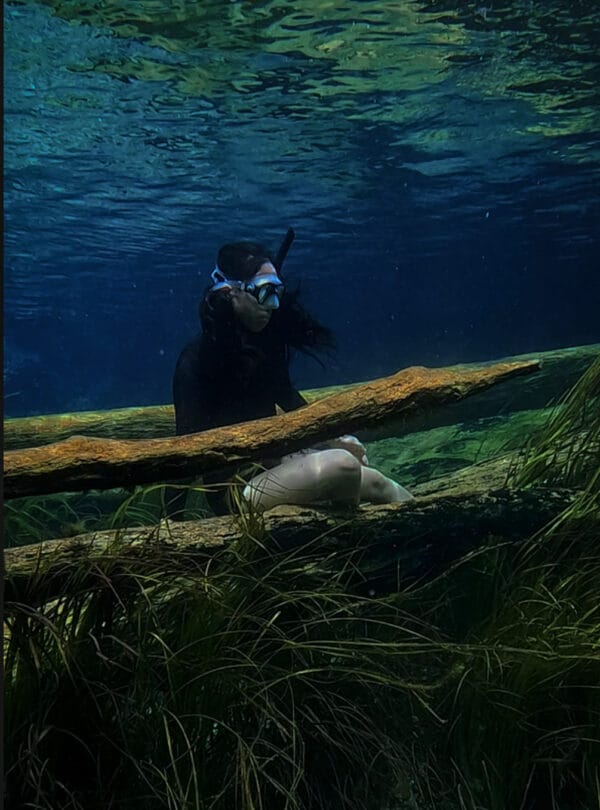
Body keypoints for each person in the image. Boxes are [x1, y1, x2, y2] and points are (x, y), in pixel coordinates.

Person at [172, 229, 413, 517]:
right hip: (233, 490)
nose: (272, 305)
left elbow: (290, 401)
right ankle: (346, 533)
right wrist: (169, 526)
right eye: (263, 292)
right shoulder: (196, 360)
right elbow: (181, 455)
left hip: (272, 463)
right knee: (343, 466)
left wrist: (334, 436)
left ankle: (429, 523)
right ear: (230, 292)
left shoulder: (264, 345)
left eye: (276, 292)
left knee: (373, 479)